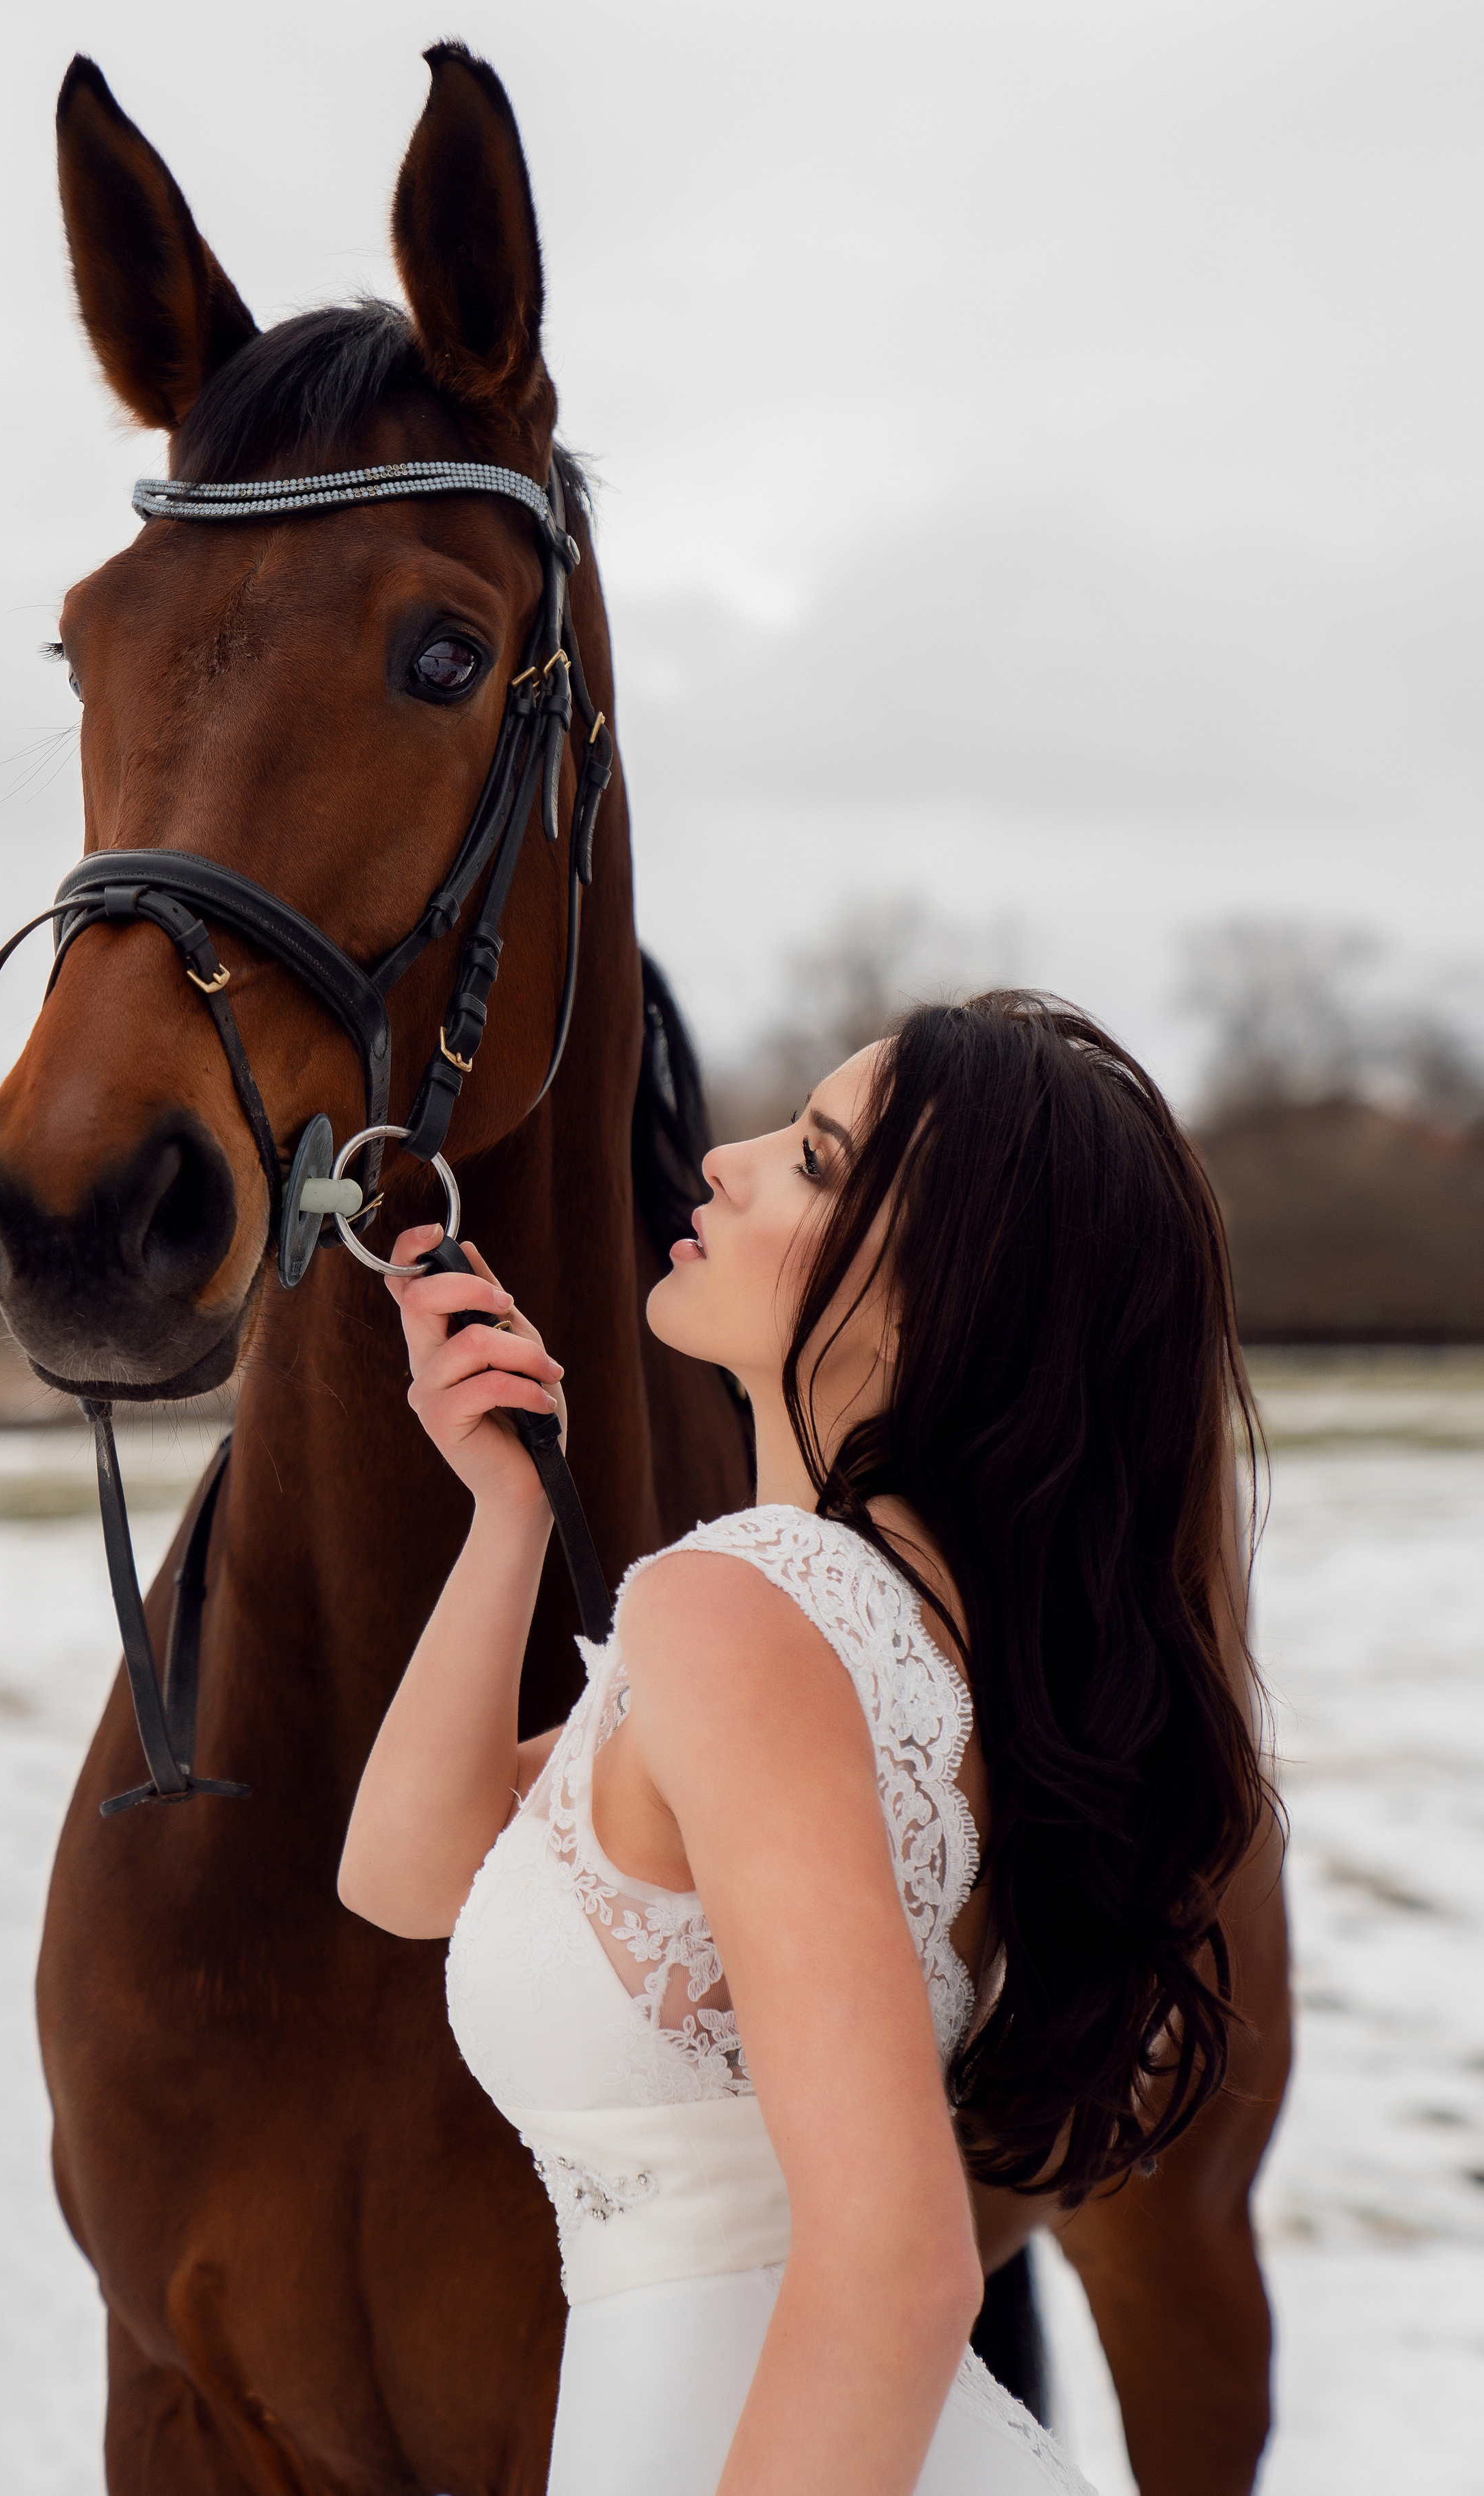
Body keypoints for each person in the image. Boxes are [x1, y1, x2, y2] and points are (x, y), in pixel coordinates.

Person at [339, 992, 1269, 2496]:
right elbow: (411, 1869)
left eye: (815, 1161)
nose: (719, 1158)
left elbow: (901, 2267)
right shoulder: (900, 1630)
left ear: (935, 1301)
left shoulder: (748, 1616)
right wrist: (507, 1511)